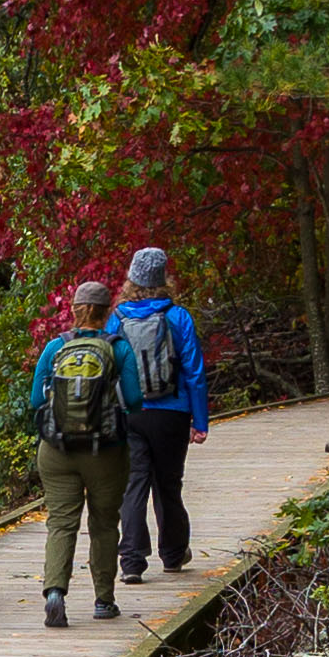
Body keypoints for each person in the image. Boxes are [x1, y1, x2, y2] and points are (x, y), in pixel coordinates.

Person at [21, 276, 126, 633]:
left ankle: (55, 594)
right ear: (107, 312)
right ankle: (104, 600)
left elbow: (36, 399)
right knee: (104, 523)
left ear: (75, 310)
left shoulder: (55, 347)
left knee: (61, 523)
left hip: (57, 449)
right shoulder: (118, 348)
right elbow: (135, 399)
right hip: (104, 451)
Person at [109, 244, 210, 583]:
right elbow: (194, 372)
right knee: (168, 484)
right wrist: (200, 420)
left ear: (132, 279)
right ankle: (173, 554)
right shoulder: (177, 317)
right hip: (172, 413)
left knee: (133, 484)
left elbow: (109, 367)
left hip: (130, 412)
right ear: (163, 279)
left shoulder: (117, 318)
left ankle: (131, 562)